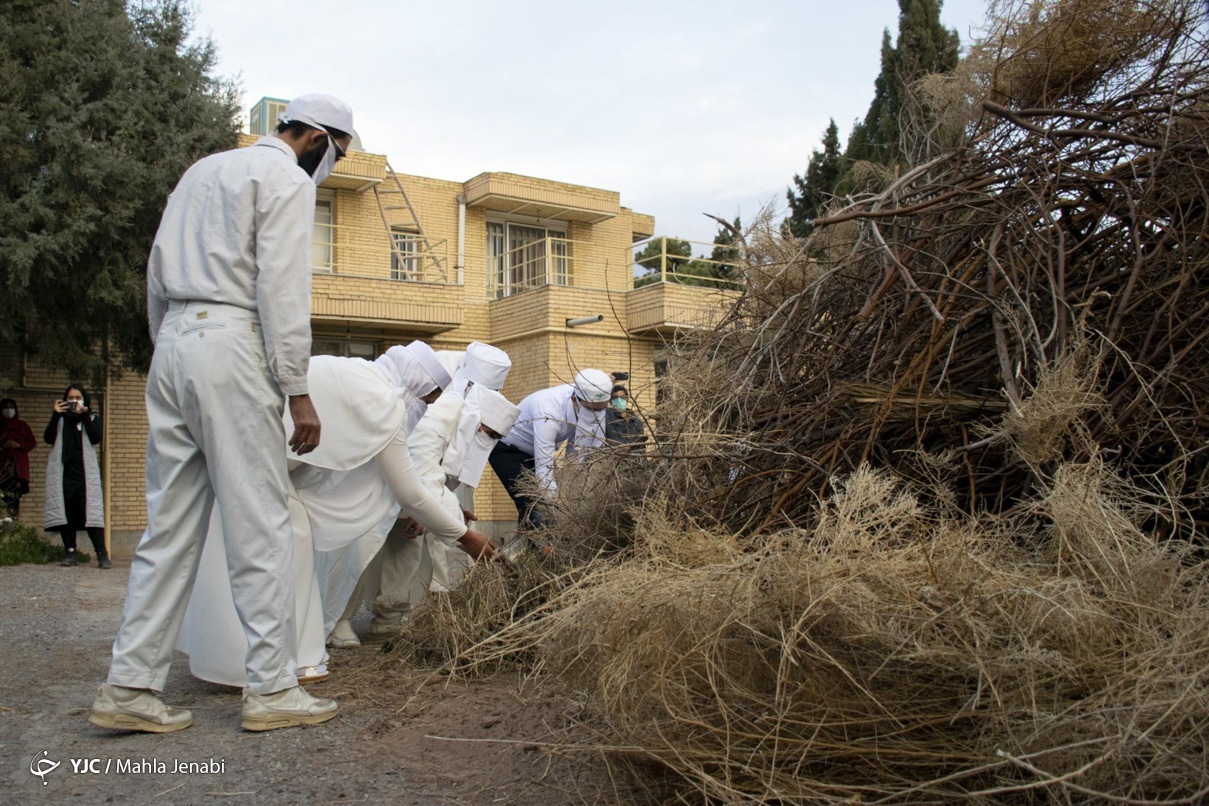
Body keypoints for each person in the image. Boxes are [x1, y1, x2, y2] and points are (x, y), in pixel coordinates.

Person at [90, 94, 355, 734]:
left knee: (168, 530)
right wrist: (297, 387)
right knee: (259, 521)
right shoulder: (285, 178)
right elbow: (282, 285)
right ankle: (271, 688)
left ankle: (130, 686)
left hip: (174, 343)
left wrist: (171, 350)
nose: (329, 169)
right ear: (317, 138)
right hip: (233, 341)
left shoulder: (203, 170)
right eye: (336, 156)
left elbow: (156, 270)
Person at [175, 347, 498, 687]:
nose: (430, 407)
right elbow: (410, 491)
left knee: (268, 549)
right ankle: (275, 666)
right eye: (431, 398)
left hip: (241, 447)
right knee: (290, 547)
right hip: (255, 461)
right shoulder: (384, 403)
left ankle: (269, 659)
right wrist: (465, 537)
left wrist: (450, 512)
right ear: (418, 386)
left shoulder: (358, 372)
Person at [332, 343, 515, 645]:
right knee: (359, 546)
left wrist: (436, 509)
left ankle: (389, 615)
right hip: (371, 474)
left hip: (411, 482)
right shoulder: (425, 384)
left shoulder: (463, 406)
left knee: (407, 546)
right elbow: (419, 458)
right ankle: (337, 618)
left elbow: (439, 467)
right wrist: (445, 515)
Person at [488, 369, 612, 533]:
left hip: (537, 451)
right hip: (508, 450)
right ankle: (540, 551)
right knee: (534, 503)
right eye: (591, 409)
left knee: (559, 495)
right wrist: (562, 515)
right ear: (575, 399)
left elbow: (581, 455)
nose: (596, 414)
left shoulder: (591, 405)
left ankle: (535, 544)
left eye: (601, 408)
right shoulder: (548, 411)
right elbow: (544, 470)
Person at [42, 385, 108, 568]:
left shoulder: (91, 418)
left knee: (91, 514)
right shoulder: (61, 420)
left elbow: (95, 437)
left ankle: (102, 553)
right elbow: (48, 438)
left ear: (84, 400)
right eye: (70, 398)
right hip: (64, 474)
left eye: (77, 398)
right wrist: (55, 414)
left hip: (85, 476)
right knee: (67, 512)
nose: (74, 401)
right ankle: (70, 552)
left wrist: (84, 415)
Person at [0, 397, 36, 518]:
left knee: (13, 502)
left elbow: (31, 443)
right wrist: (3, 445)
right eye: (5, 407)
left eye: (11, 407)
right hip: (2, 469)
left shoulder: (22, 426)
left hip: (17, 470)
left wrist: (19, 445)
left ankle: (12, 531)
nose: (8, 410)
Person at [604, 384, 645, 450]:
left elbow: (641, 446)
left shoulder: (636, 421)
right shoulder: (606, 417)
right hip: (613, 457)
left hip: (632, 458)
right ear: (610, 401)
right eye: (615, 398)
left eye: (622, 397)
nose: (619, 400)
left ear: (627, 399)